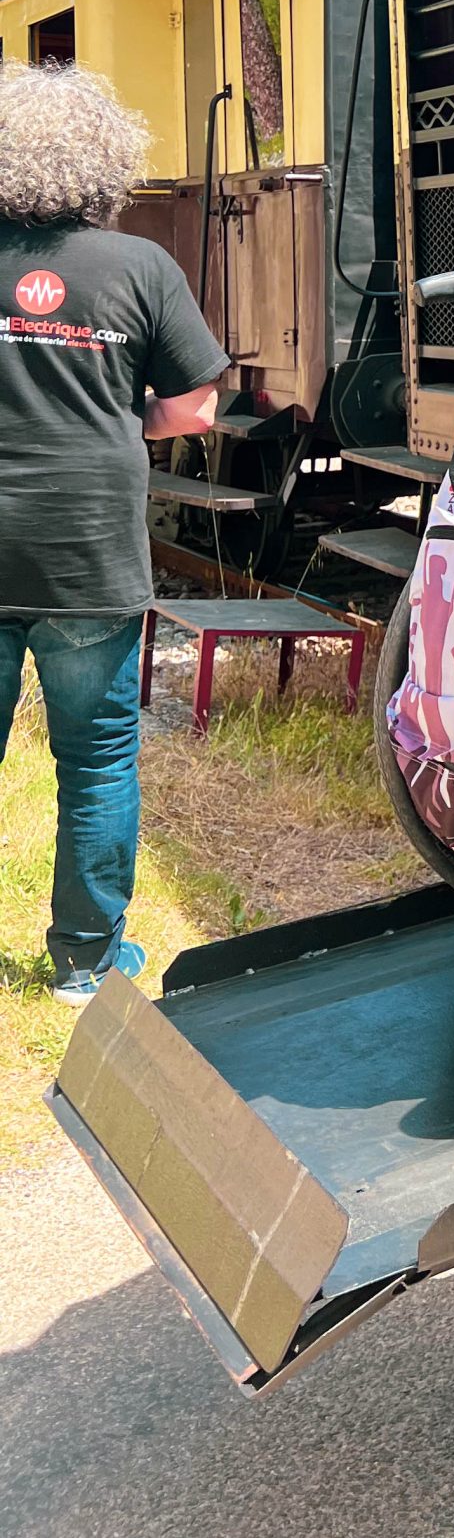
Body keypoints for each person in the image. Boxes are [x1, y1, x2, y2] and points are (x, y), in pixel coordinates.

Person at [0, 63, 227, 1003]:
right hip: (89, 549)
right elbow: (198, 408)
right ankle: (87, 964)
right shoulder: (141, 267)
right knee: (94, 761)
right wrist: (109, 417)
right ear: (104, 160)